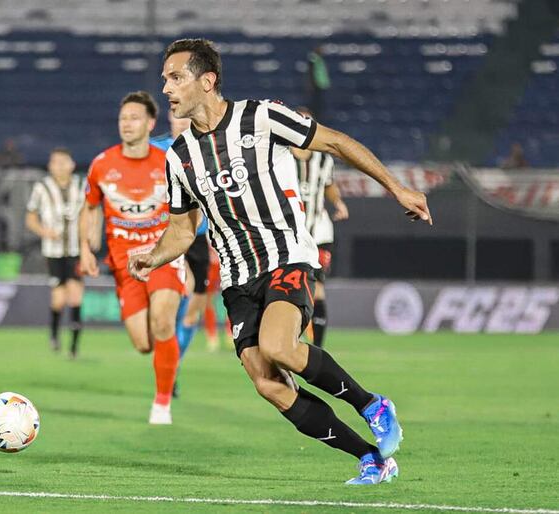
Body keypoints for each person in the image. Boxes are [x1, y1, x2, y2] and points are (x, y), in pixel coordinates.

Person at [129, 38, 432, 484]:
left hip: (286, 255)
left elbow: (337, 142)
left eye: (176, 78)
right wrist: (153, 259)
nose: (167, 88)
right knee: (267, 382)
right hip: (236, 278)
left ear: (207, 81)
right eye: (165, 80)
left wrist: (397, 187)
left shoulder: (261, 116)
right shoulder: (179, 157)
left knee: (278, 346)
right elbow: (179, 229)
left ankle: (372, 404)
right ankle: (371, 457)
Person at [78, 91, 185, 425]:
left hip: (161, 256)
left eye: (134, 118)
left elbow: (189, 208)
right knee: (143, 343)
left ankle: (162, 404)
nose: (127, 124)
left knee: (163, 321)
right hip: (124, 264)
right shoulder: (102, 164)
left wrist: (183, 248)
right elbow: (90, 207)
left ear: (150, 123)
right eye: (123, 118)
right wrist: (85, 247)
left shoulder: (167, 162)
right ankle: (165, 356)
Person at [152, 111, 209, 396]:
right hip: (171, 234)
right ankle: (167, 363)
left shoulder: (208, 146)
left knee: (194, 310)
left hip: (199, 237)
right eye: (177, 117)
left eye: (185, 117)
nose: (181, 122)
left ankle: (174, 363)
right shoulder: (156, 149)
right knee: (179, 295)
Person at [292, 107, 349, 348]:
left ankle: (318, 348)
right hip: (292, 236)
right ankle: (291, 338)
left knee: (318, 289)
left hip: (320, 233)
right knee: (293, 288)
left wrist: (338, 202)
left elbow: (328, 184)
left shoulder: (323, 159)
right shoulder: (281, 157)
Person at [25, 148, 85, 358]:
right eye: (55, 162)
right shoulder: (42, 187)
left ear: (72, 164)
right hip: (53, 252)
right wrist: (44, 231)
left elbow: (92, 211)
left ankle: (74, 347)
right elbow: (30, 218)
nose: (59, 166)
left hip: (77, 250)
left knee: (75, 296)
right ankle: (54, 335)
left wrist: (91, 237)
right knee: (58, 299)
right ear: (50, 166)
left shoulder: (82, 184)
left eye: (63, 161)